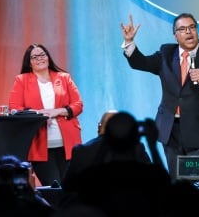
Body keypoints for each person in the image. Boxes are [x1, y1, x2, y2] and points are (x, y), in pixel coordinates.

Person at [120, 13, 199, 179]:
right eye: (183, 29)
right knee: (176, 183)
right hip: (171, 132)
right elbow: (141, 63)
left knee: (198, 184)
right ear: (175, 35)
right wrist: (129, 42)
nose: (189, 32)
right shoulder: (166, 53)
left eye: (192, 27)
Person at [8, 43, 83, 186]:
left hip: (68, 145)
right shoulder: (22, 80)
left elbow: (78, 105)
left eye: (42, 54)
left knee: (71, 188)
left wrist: (57, 111)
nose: (39, 58)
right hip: (39, 146)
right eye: (34, 57)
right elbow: (14, 108)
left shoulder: (64, 78)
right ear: (29, 63)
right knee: (53, 188)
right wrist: (39, 115)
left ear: (48, 57)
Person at [61, 110, 153, 190]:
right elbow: (152, 178)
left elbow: (67, 187)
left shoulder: (81, 151)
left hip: (92, 207)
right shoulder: (136, 147)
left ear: (99, 127)